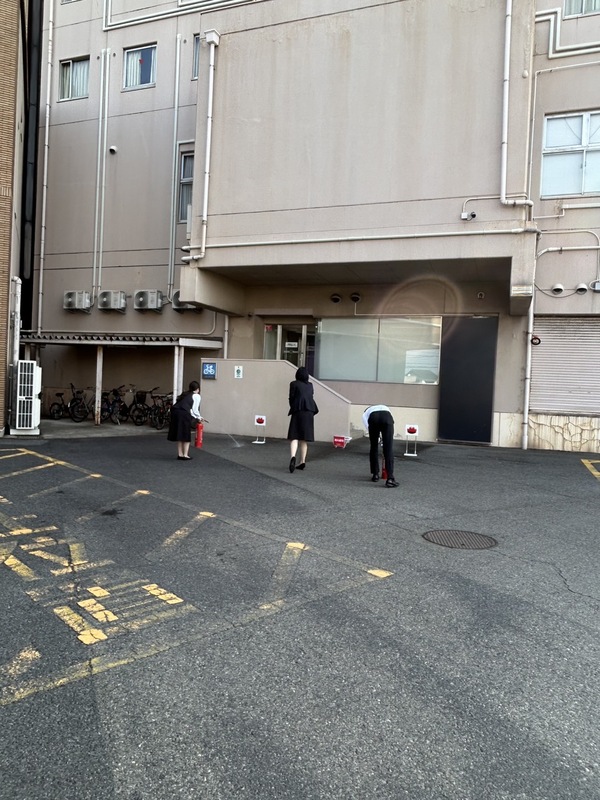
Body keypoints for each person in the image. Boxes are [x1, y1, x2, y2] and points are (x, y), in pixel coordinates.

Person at [287, 366, 319, 473]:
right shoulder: (310, 385)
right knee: (304, 438)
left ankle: (293, 457)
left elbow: (291, 398)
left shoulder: (294, 384)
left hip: (298, 411)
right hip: (309, 412)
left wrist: (294, 407)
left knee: (294, 436)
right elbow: (311, 396)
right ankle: (302, 461)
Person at [362, 405, 399, 487]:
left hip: (373, 418)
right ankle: (390, 478)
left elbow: (368, 426)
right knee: (388, 448)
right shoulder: (385, 408)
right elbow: (389, 419)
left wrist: (377, 438)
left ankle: (375, 474)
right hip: (387, 417)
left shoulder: (365, 413)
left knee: (374, 447)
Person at [167, 380, 202, 460]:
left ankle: (180, 454)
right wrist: (199, 417)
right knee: (186, 433)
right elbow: (195, 410)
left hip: (175, 412)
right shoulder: (196, 396)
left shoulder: (185, 394)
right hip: (184, 414)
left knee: (180, 433)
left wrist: (198, 417)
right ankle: (185, 455)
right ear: (198, 389)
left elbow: (189, 410)